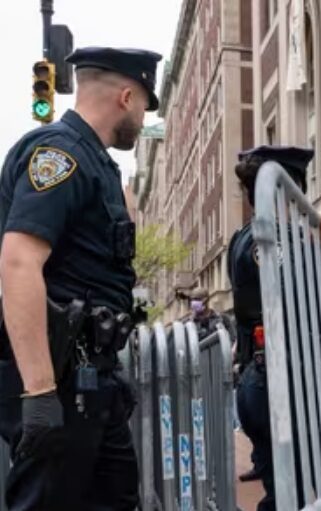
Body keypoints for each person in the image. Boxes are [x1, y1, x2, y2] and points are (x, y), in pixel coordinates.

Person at [0, 47, 161, 510]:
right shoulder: (60, 154)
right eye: (144, 106)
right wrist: (39, 392)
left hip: (92, 380)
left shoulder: (96, 162)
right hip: (61, 381)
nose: (142, 117)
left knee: (114, 499)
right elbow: (18, 262)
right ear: (127, 96)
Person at [228, 145, 321, 510]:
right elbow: (288, 294)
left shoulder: (246, 236)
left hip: (272, 378)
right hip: (284, 379)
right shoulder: (271, 238)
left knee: (289, 492)